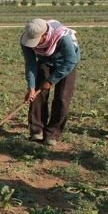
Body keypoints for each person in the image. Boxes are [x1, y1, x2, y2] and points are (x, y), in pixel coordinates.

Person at [20, 18, 80, 146]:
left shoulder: (63, 38)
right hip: (45, 61)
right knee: (37, 95)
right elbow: (30, 63)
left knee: (62, 98)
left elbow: (71, 61)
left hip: (65, 63)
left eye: (36, 41)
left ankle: (52, 133)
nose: (33, 45)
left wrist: (51, 80)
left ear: (46, 35)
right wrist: (30, 87)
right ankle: (37, 130)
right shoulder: (26, 39)